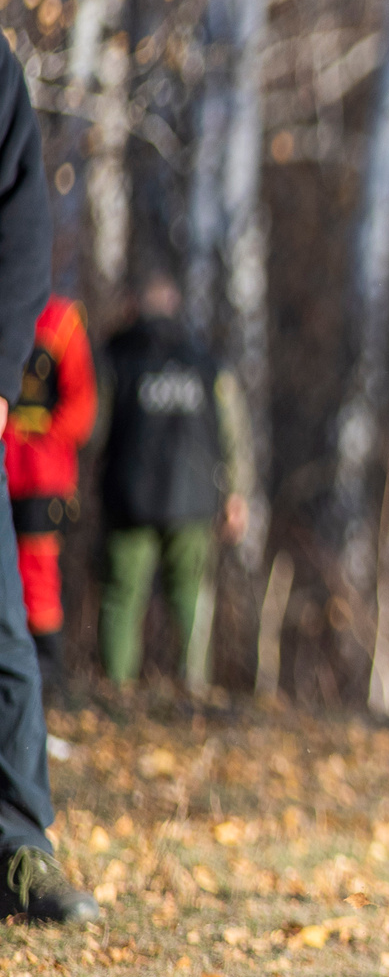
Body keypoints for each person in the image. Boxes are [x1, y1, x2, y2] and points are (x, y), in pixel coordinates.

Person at [0, 37, 98, 923]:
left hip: (26, 475)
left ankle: (19, 849)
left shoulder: (59, 321)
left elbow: (80, 408)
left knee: (16, 622)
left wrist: (3, 391)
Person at [95, 271, 250, 694]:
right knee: (191, 598)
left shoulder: (116, 357)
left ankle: (116, 693)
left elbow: (94, 428)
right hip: (194, 500)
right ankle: (193, 691)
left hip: (129, 498)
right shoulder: (204, 361)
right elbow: (233, 430)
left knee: (122, 598)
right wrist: (236, 493)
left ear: (135, 306)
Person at [5, 295, 95, 682]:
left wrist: (35, 438)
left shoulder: (61, 320)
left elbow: (82, 408)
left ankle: (48, 673)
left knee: (37, 573)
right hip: (9, 468)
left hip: (43, 477)